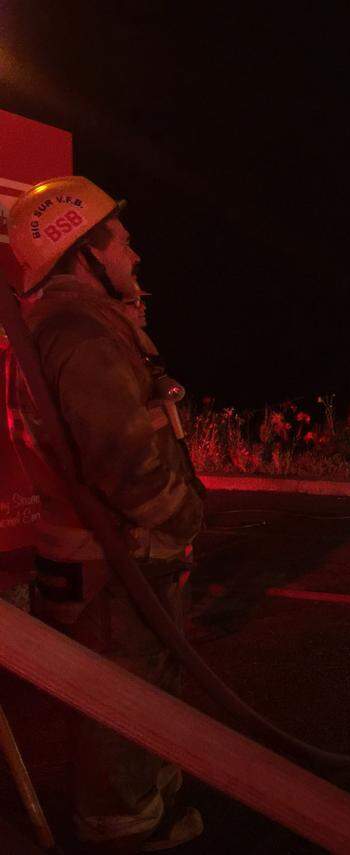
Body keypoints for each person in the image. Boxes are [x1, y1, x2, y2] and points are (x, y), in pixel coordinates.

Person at [4, 176, 204, 852]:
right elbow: (121, 456)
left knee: (142, 694)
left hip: (109, 559)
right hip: (116, 563)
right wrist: (180, 516)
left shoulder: (69, 325)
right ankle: (127, 835)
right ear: (85, 251)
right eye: (122, 241)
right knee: (121, 705)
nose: (134, 254)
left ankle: (154, 808)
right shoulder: (80, 332)